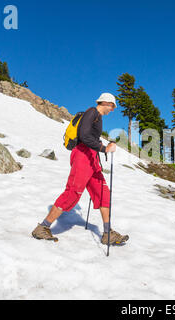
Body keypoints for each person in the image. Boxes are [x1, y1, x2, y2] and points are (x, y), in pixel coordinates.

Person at [31, 93, 129, 245]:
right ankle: (43, 227)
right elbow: (84, 136)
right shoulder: (92, 112)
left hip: (91, 159)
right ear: (104, 102)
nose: (113, 109)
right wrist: (104, 148)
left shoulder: (98, 117)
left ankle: (108, 233)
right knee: (73, 192)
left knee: (103, 193)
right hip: (82, 157)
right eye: (112, 105)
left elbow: (90, 137)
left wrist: (102, 146)